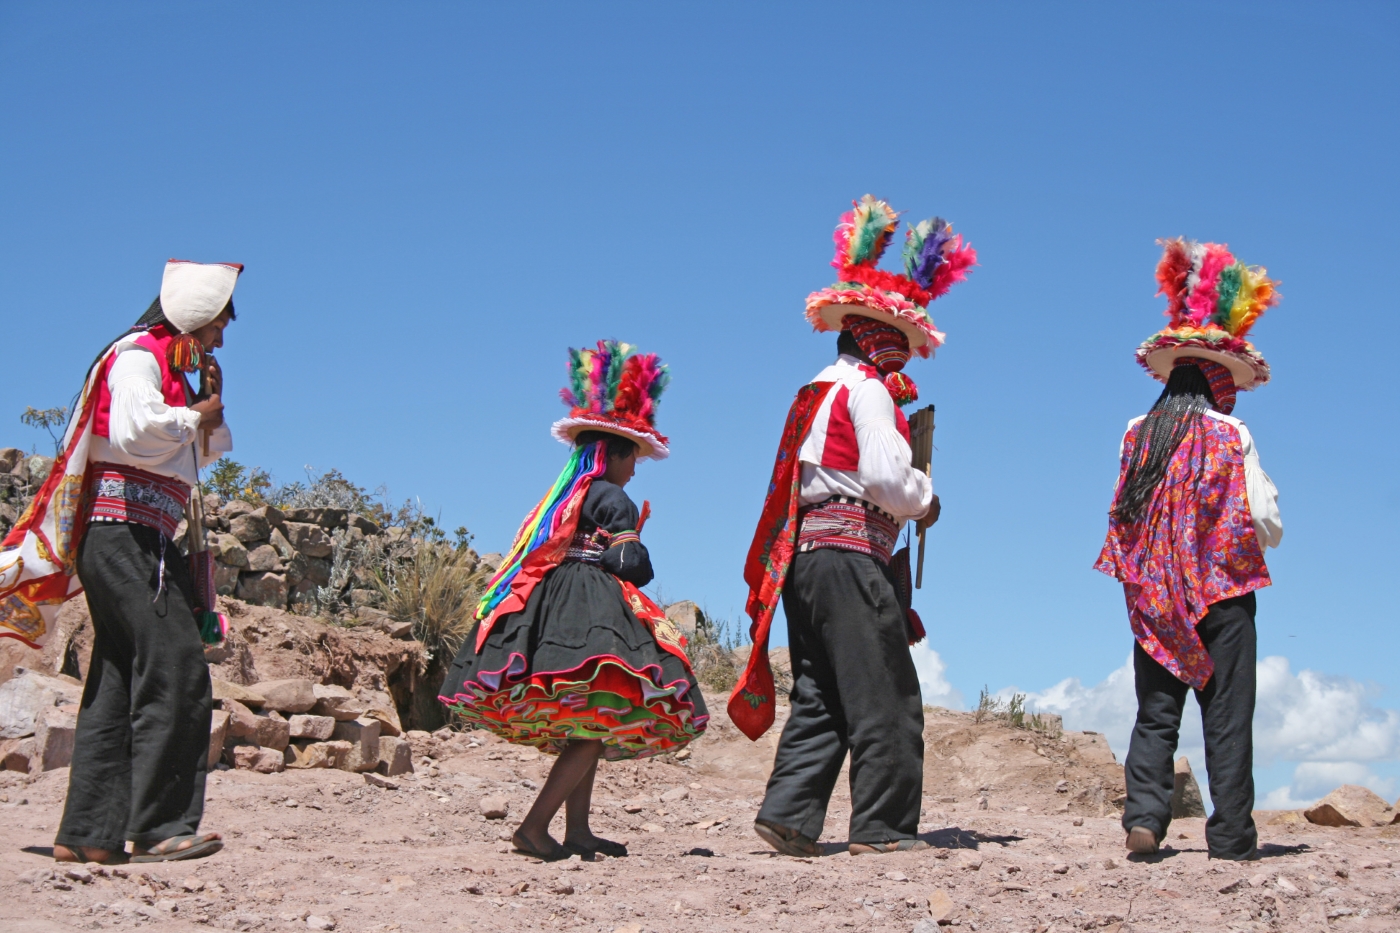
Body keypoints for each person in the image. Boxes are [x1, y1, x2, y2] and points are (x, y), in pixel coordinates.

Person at [736, 196, 975, 856]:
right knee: (886, 694)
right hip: (849, 556)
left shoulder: (814, 388)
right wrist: (924, 500)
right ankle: (883, 828)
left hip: (806, 559)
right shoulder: (867, 391)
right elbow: (885, 480)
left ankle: (788, 812)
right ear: (878, 337)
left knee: (823, 690)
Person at [0, 259, 241, 864]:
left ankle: (89, 834)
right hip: (123, 536)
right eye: (215, 326)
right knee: (177, 667)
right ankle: (161, 827)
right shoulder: (138, 355)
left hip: (138, 539)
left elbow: (192, 456)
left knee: (113, 679)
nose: (218, 339)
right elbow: (137, 432)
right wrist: (195, 416)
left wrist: (206, 405)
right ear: (189, 317)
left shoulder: (168, 370)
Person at [439, 339, 708, 862]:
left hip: (554, 600)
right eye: (634, 457)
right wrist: (629, 552)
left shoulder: (573, 495)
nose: (636, 469)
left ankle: (578, 833)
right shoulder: (614, 496)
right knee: (597, 718)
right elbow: (633, 565)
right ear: (618, 452)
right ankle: (534, 827)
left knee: (590, 722)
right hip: (590, 609)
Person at [1096, 238, 1283, 861]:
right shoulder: (1232, 433)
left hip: (1153, 596)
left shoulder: (1134, 434)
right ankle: (1230, 834)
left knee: (1156, 709)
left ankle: (1144, 820)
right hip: (1223, 592)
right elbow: (1264, 517)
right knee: (1227, 713)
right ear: (1214, 379)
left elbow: (1126, 511)